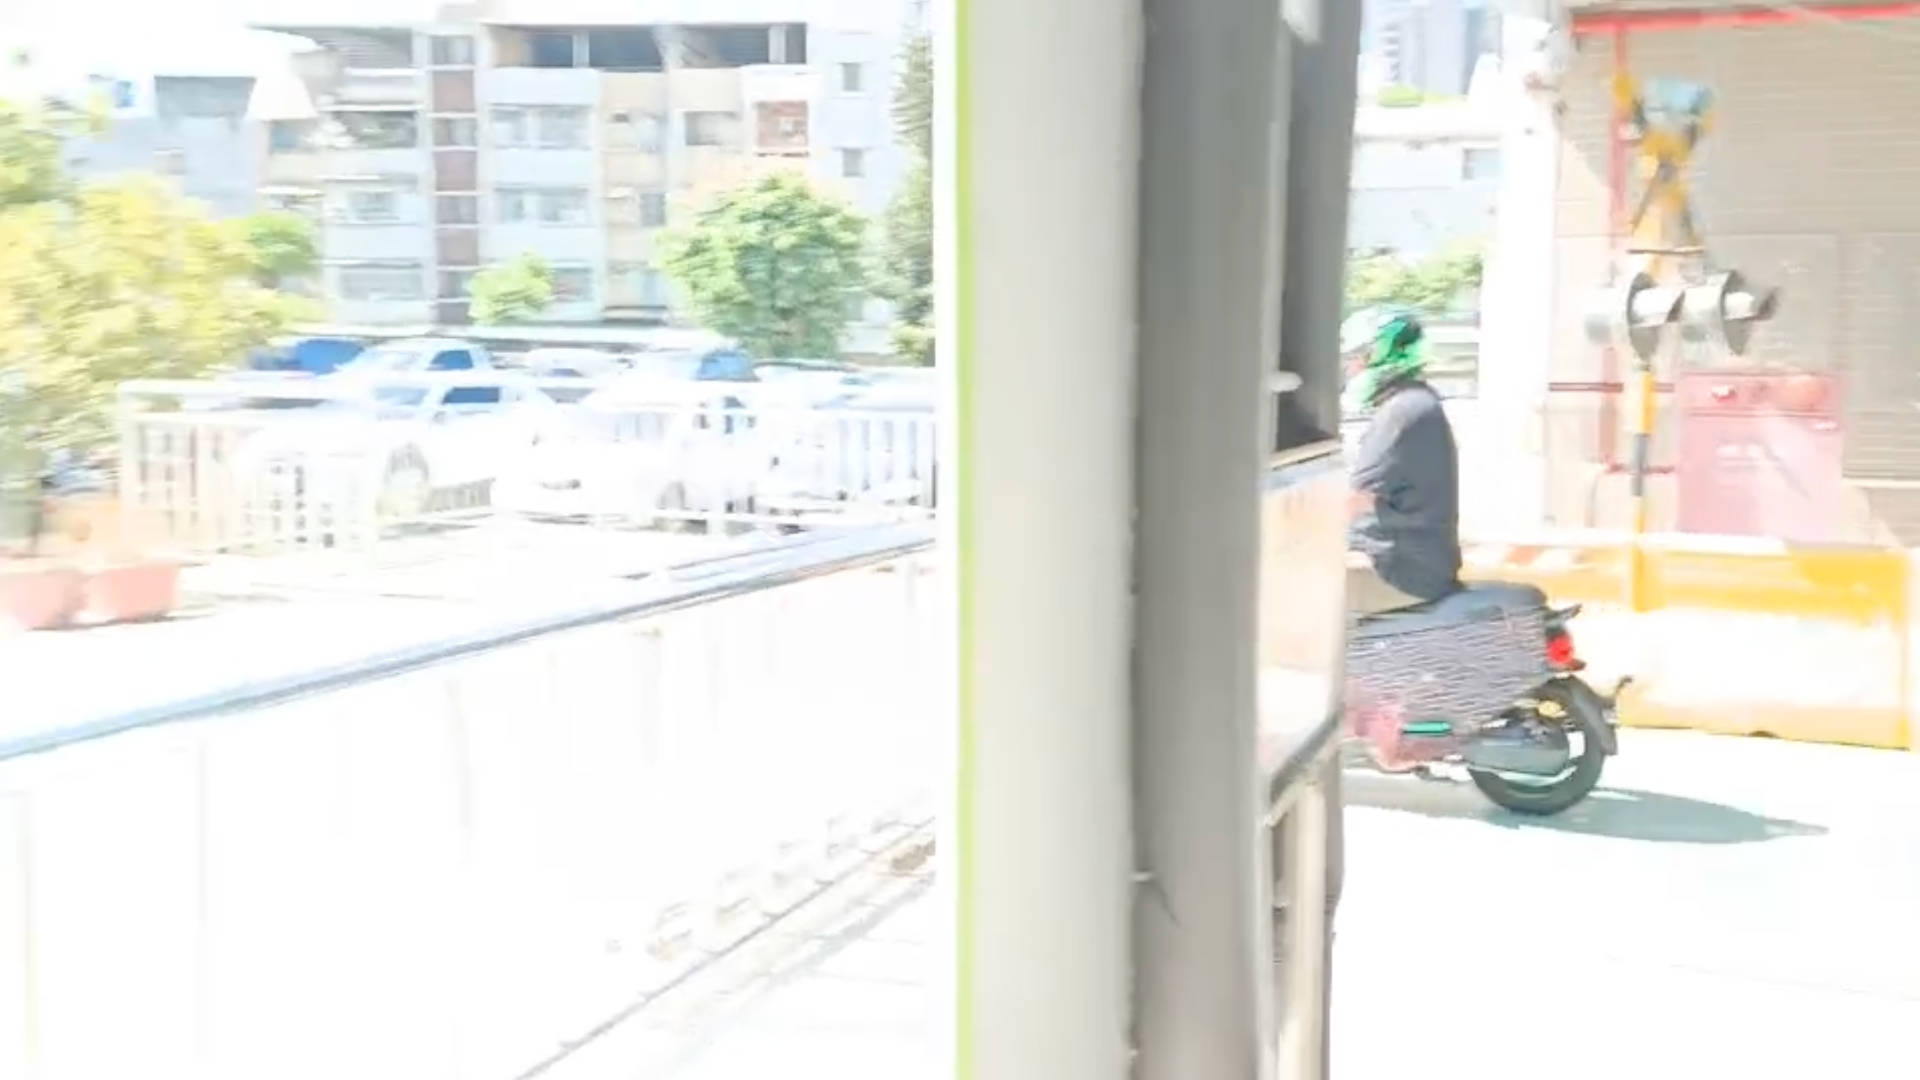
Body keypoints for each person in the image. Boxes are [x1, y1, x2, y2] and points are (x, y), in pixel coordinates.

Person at [1341, 310, 1462, 616]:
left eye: (1357, 357)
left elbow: (1357, 498)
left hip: (1402, 572)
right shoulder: (1417, 403)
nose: (1350, 368)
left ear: (1379, 357)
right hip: (1415, 563)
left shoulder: (1401, 412)